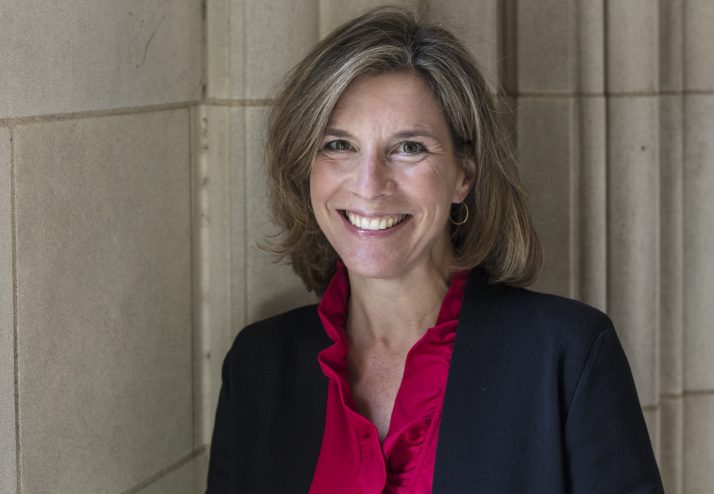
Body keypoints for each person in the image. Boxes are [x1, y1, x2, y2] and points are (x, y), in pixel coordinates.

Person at [207, 6, 664, 493]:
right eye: (338, 145)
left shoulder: (568, 356)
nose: (369, 185)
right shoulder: (257, 367)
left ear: (464, 175)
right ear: (306, 167)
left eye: (409, 148)